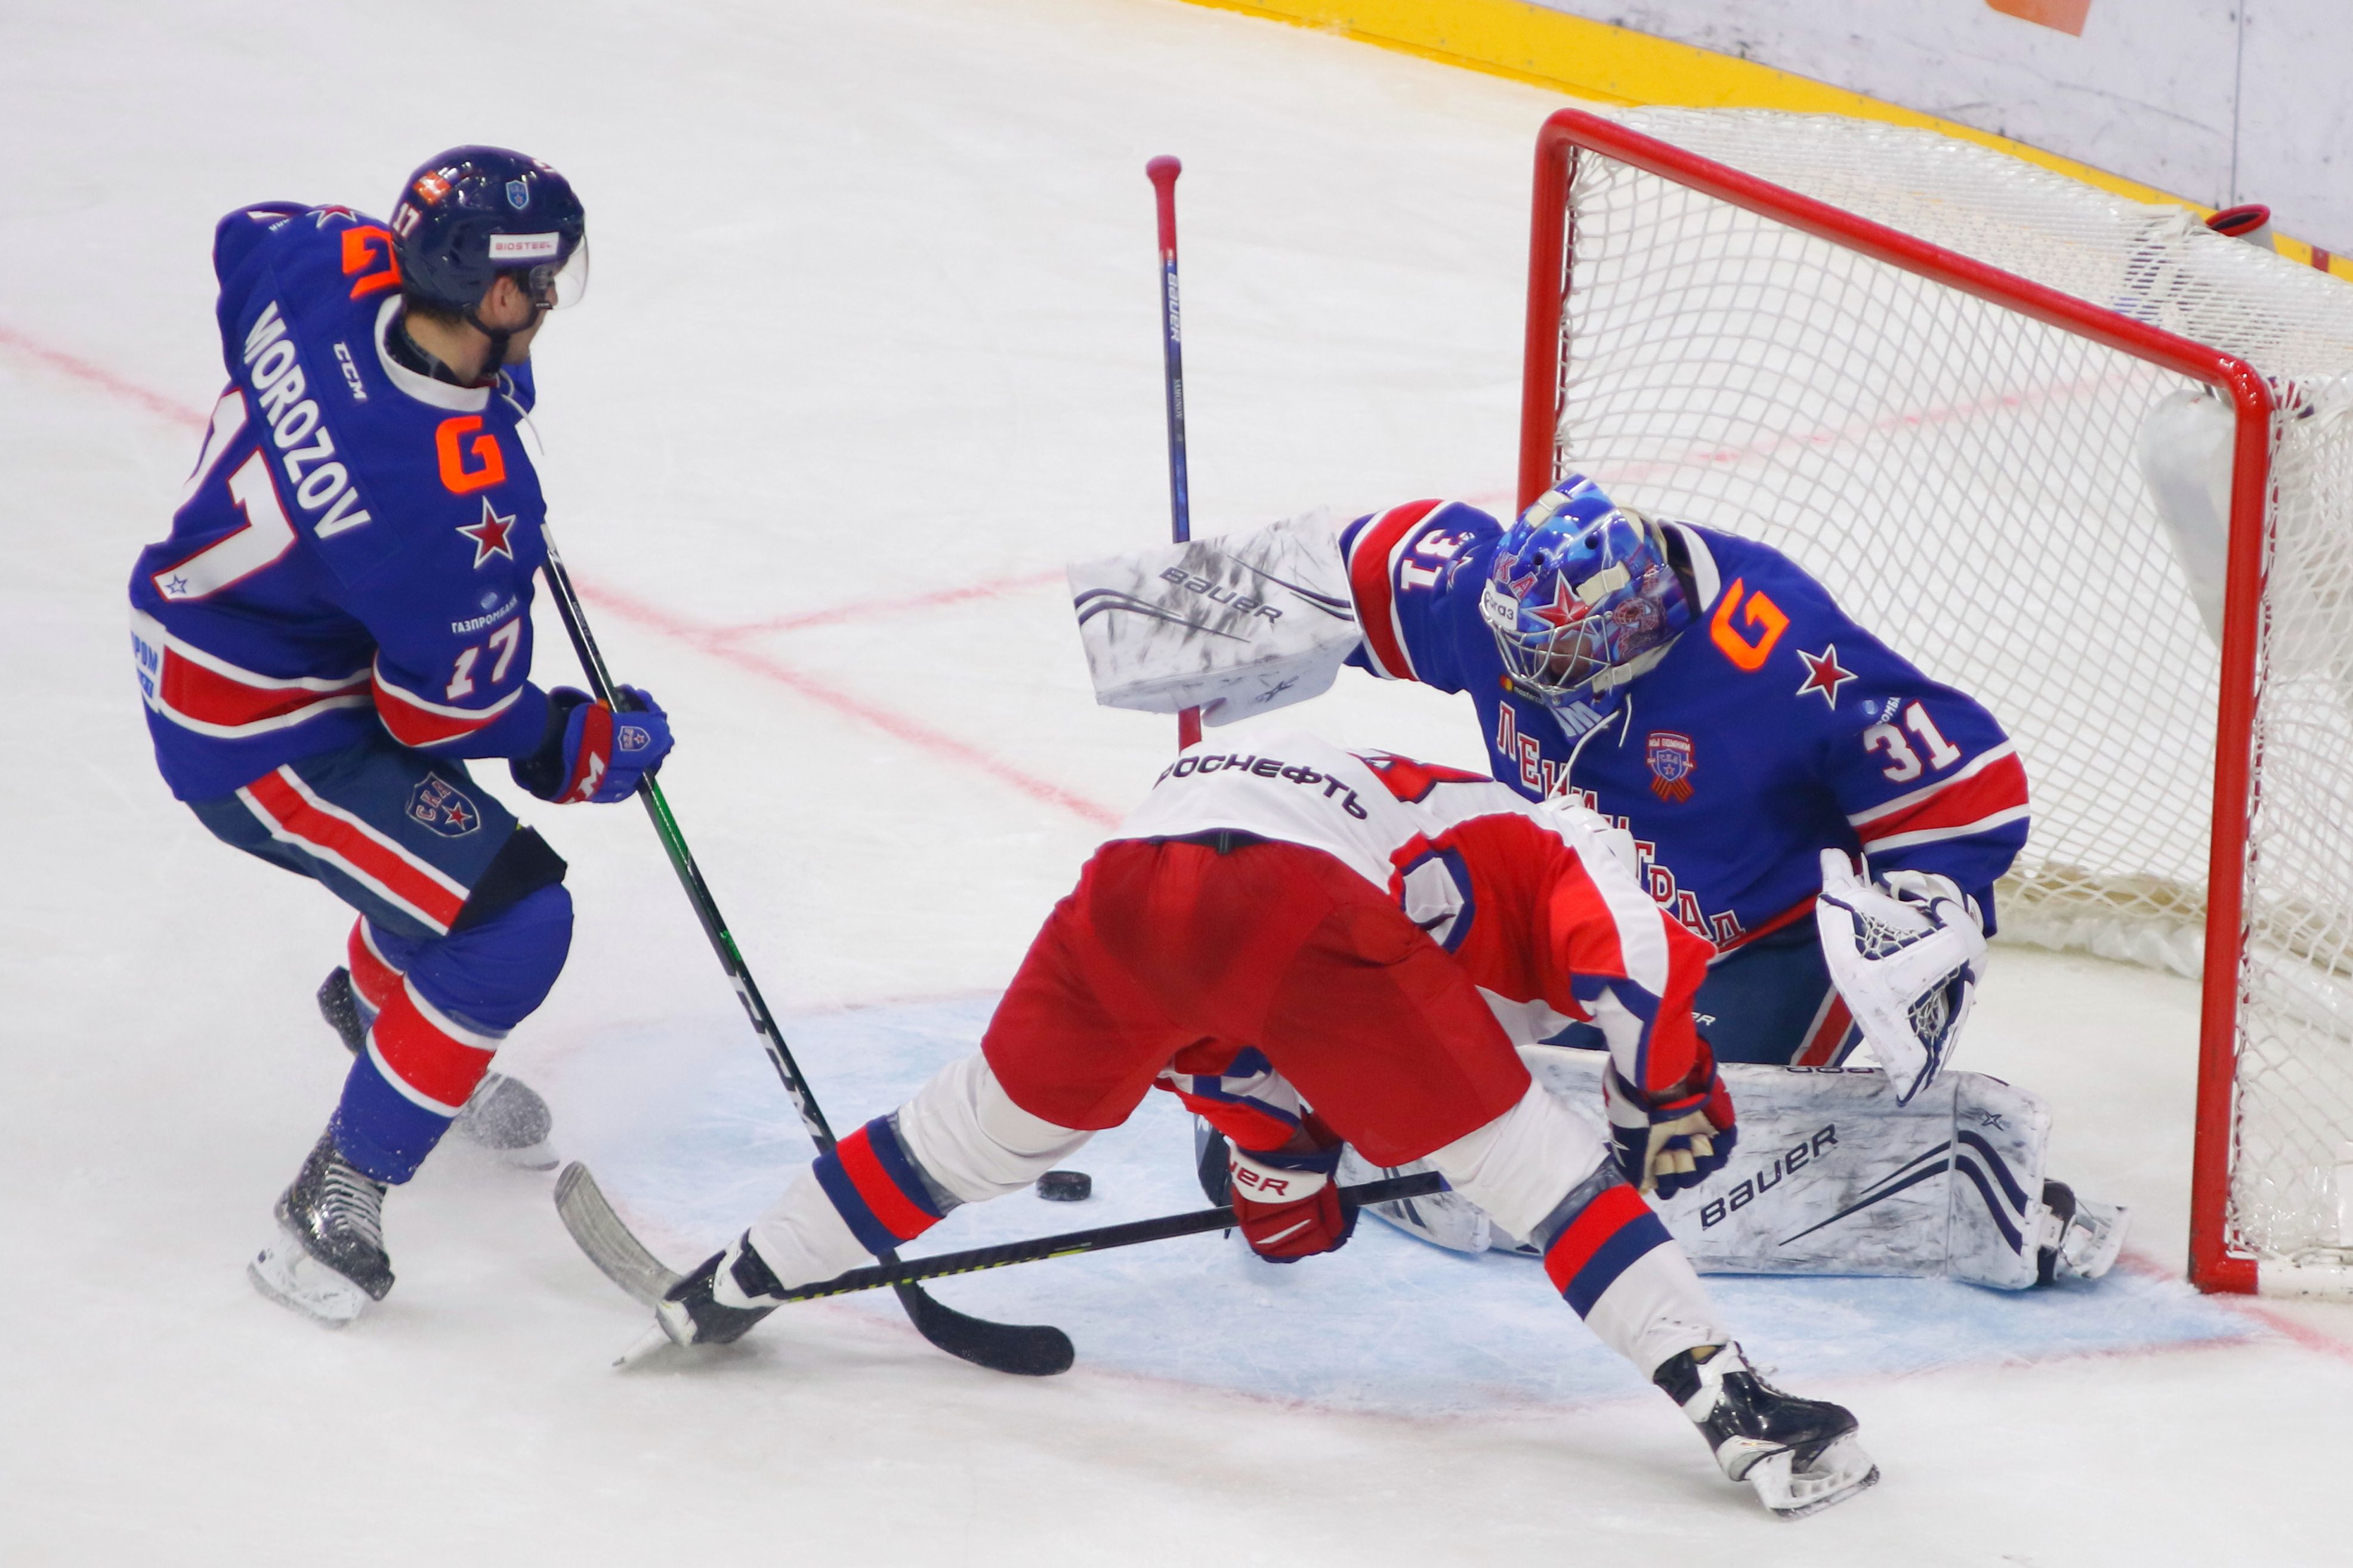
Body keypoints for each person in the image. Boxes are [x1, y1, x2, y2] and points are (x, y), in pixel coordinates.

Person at [653, 731, 1879, 1520]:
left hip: (1128, 888)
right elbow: (1632, 967)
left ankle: (734, 1280)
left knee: (962, 1134)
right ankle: (1732, 1402)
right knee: (1537, 1172)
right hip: (1297, 899)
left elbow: (1260, 1121)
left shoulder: (1394, 805)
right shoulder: (1563, 833)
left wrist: (1282, 1173)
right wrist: (1664, 1086)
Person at [1063, 472, 2124, 1284]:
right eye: (1519, 658)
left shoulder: (1774, 652)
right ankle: (1312, 1118)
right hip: (1566, 900)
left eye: (1561, 663)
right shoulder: (1490, 602)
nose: (1531, 685)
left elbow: (1964, 780)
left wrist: (1929, 907)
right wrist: (1187, 618)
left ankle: (1925, 1181)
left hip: (1759, 942)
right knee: (1387, 993)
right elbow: (1348, 567)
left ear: (1638, 618)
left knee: (1649, 1119)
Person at [127, 147, 673, 1326]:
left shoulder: (328, 261)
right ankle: (333, 1199)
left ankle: (386, 1015)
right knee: (517, 922)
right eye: (541, 282)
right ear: (495, 293)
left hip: (222, 630)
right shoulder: (456, 507)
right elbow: (444, 714)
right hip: (262, 727)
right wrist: (573, 742)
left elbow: (245, 232)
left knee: (444, 864)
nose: (553, 300)